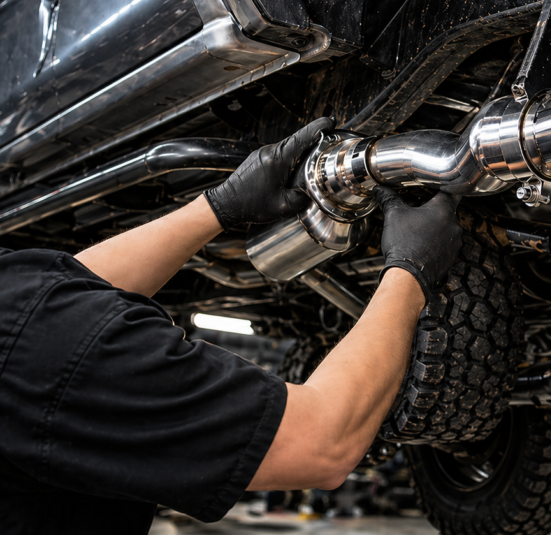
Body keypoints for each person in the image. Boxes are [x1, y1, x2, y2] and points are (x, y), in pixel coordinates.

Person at [0, 117, 463, 534]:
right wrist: (410, 272)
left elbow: (59, 290)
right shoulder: (38, 352)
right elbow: (321, 441)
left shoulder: (27, 316)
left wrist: (218, 207)